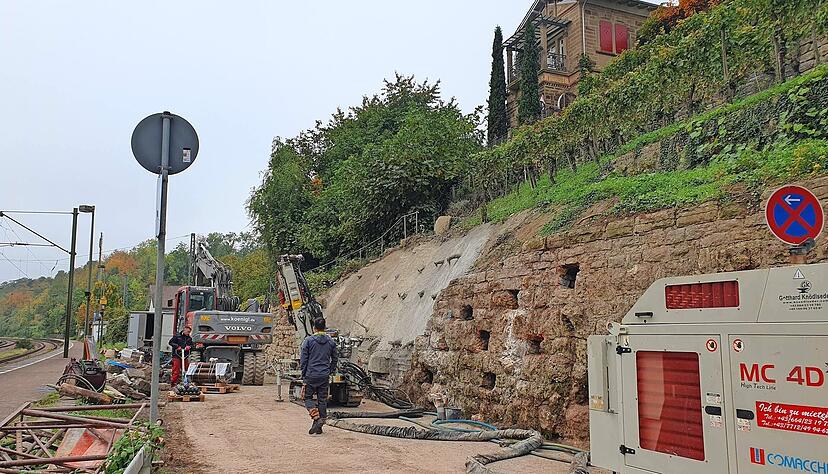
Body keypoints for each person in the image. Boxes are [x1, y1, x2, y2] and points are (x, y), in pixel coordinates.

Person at [300, 317, 338, 435]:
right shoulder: (331, 342)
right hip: (324, 375)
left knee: (307, 398)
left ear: (314, 328)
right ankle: (319, 426)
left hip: (311, 374)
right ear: (324, 327)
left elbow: (303, 360)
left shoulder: (308, 341)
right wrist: (330, 370)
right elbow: (335, 358)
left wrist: (304, 375)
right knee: (322, 400)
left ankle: (316, 418)